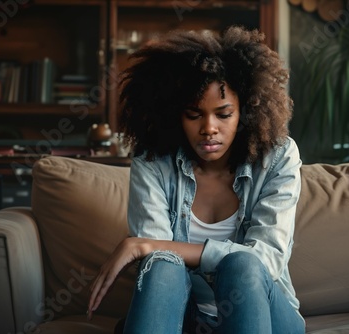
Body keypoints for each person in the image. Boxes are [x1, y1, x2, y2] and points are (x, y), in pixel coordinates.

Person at [87, 26, 305, 334]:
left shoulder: (278, 157)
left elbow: (266, 261)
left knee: (241, 265)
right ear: (175, 114)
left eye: (224, 114)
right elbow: (156, 256)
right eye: (194, 114)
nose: (209, 128)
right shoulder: (153, 160)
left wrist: (145, 246)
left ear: (246, 112)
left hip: (264, 314)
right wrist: (151, 248)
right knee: (162, 266)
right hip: (188, 317)